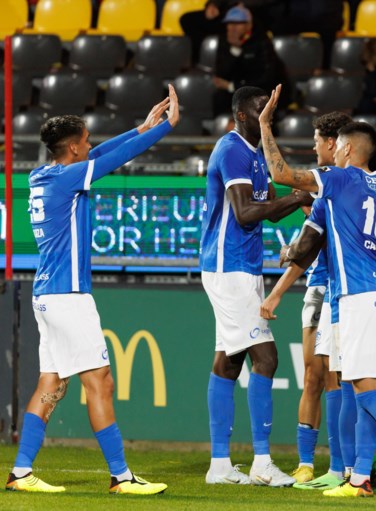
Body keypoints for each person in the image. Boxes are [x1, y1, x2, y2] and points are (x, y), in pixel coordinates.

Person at [259, 84, 376, 501]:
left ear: (344, 150)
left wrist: (266, 125)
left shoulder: (338, 179)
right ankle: (360, 476)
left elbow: (282, 175)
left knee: (364, 387)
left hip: (358, 298)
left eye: (337, 148)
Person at [5, 87, 179, 495]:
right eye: (85, 141)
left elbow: (101, 156)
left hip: (46, 295)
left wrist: (140, 127)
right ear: (71, 148)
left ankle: (21, 471)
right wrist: (164, 128)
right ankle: (121, 476)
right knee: (99, 381)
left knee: (51, 382)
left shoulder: (45, 175)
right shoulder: (68, 179)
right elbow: (114, 159)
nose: (90, 146)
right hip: (68, 297)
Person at [200, 85, 312, 487]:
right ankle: (262, 463)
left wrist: (300, 200)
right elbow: (246, 213)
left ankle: (219, 465)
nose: (268, 114)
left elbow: (272, 212)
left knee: (229, 362)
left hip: (242, 267)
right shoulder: (231, 149)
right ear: (243, 115)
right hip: (228, 266)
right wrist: (299, 197)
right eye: (261, 109)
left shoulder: (256, 155)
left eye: (271, 109)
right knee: (266, 358)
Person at [271, 111, 352, 488]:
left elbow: (300, 250)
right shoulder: (322, 187)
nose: (314, 146)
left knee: (340, 380)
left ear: (334, 142)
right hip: (320, 291)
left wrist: (289, 253)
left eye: (317, 139)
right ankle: (307, 462)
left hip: (348, 293)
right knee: (313, 377)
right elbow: (306, 251)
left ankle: (342, 462)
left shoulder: (337, 182)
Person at [212, 5, 287, 116]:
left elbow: (266, 78)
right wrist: (235, 50)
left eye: (237, 23)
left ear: (248, 25)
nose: (232, 28)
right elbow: (220, 75)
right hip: (233, 94)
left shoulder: (261, 41)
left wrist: (232, 86)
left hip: (256, 92)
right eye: (229, 23)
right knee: (219, 98)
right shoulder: (224, 41)